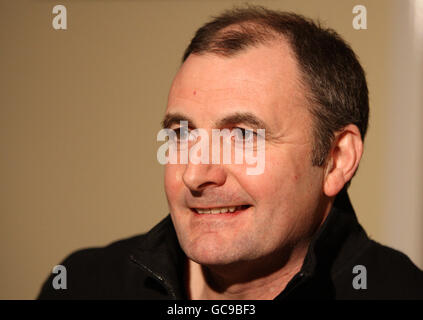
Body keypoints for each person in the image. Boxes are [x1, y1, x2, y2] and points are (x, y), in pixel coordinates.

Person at [38, 6, 423, 300]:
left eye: (242, 135)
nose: (195, 173)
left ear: (337, 159)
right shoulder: (86, 284)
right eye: (182, 133)